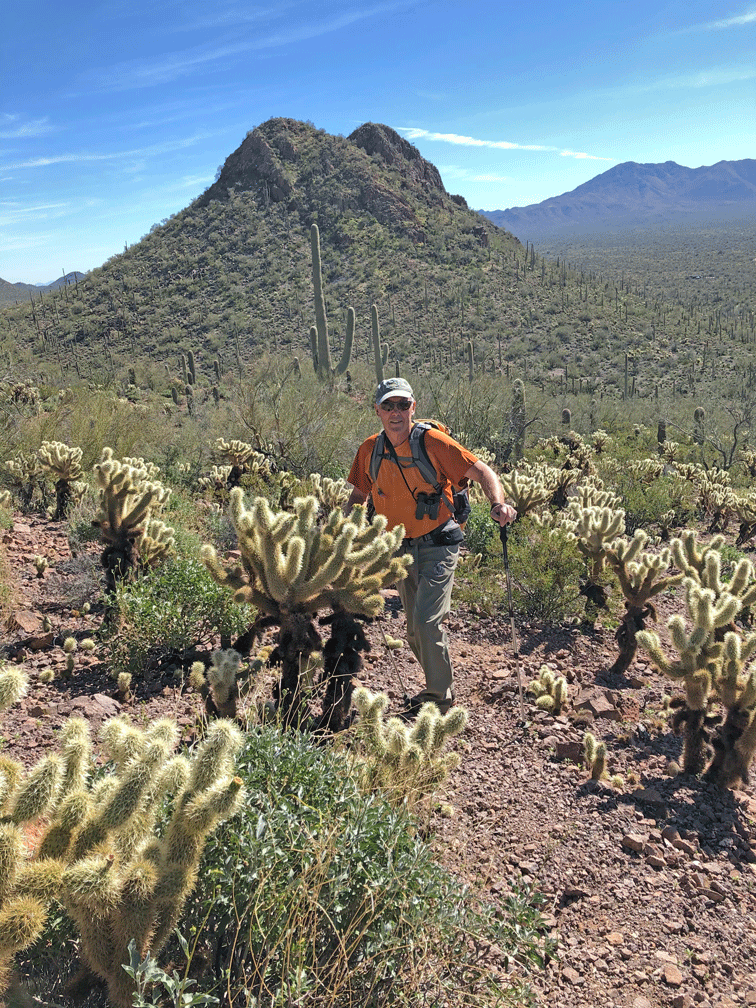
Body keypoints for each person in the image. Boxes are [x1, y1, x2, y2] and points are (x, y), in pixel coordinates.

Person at [346, 377, 516, 718]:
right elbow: (358, 496)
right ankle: (438, 688)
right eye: (388, 406)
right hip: (398, 546)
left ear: (413, 407)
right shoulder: (369, 450)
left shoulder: (433, 442)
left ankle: (439, 699)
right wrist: (345, 532)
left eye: (403, 405)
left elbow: (482, 471)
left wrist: (498, 503)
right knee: (412, 628)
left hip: (439, 541)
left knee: (426, 622)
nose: (396, 412)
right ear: (377, 410)